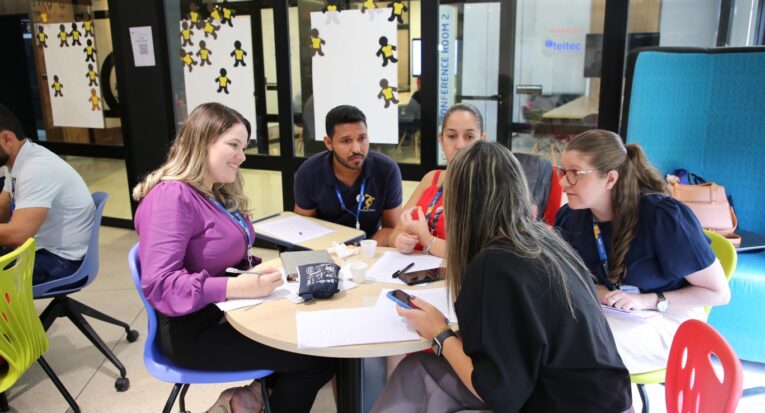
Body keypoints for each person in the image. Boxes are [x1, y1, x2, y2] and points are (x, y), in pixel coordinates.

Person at [373, 141, 632, 412]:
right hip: (605, 399)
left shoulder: (494, 263)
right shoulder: (546, 242)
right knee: (417, 369)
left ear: (459, 204)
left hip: (559, 403)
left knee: (418, 375)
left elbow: (497, 393)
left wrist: (439, 332)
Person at [133, 103, 335, 413]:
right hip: (194, 331)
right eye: (233, 145)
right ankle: (253, 399)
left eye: (243, 147)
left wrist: (259, 273)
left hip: (226, 311)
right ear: (202, 142)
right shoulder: (171, 196)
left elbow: (219, 257)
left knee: (311, 331)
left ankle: (249, 399)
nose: (242, 156)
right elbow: (162, 285)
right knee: (317, 357)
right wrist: (238, 287)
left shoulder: (212, 192)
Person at [554, 129, 730, 373]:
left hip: (668, 317)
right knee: (543, 332)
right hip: (607, 310)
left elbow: (718, 293)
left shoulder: (663, 217)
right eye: (563, 171)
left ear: (610, 179)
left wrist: (646, 301)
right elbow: (564, 277)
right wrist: (598, 291)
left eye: (575, 173)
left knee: (576, 348)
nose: (563, 182)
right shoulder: (571, 216)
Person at [0, 103, 95, 285]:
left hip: (61, 261)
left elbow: (17, 234)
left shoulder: (35, 169)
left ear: (7, 139)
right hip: (42, 250)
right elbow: (3, 209)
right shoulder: (16, 162)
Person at [294, 105, 402, 245]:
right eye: (346, 141)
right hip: (325, 248)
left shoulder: (387, 170)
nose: (356, 149)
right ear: (329, 143)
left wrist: (362, 252)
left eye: (362, 138)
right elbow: (303, 228)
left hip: (369, 248)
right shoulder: (309, 173)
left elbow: (391, 229)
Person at [388, 103, 487, 257]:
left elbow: (476, 253)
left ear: (482, 140)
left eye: (469, 137)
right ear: (441, 139)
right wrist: (400, 241)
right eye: (452, 136)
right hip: (414, 269)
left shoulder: (490, 186)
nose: (460, 145)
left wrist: (427, 239)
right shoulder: (432, 179)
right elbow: (395, 233)